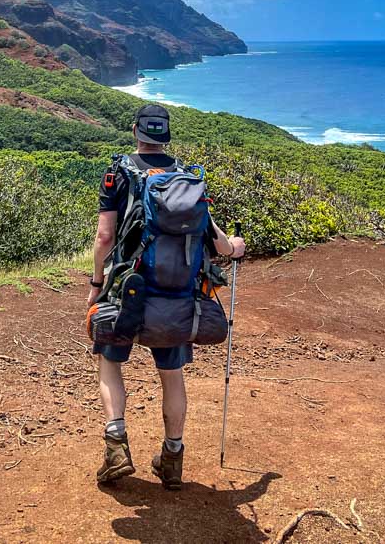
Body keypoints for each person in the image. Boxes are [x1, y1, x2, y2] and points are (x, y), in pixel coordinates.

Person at [88, 102, 245, 490]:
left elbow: (105, 237)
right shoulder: (186, 179)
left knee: (110, 362)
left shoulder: (117, 173)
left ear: (135, 131)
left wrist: (95, 286)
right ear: (166, 135)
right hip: (177, 296)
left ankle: (116, 448)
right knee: (172, 377)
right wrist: (234, 247)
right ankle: (172, 458)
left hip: (126, 291)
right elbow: (218, 241)